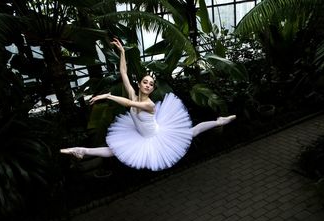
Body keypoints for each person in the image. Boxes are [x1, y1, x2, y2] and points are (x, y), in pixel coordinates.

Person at [61, 38, 236, 171]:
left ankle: (219, 121)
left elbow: (129, 103)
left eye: (151, 84)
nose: (148, 85)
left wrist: (108, 95)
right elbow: (123, 72)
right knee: (114, 151)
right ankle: (82, 150)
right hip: (139, 134)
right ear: (139, 84)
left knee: (193, 131)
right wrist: (122, 52)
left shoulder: (150, 105)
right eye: (145, 82)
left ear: (152, 89)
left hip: (156, 135)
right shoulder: (132, 92)